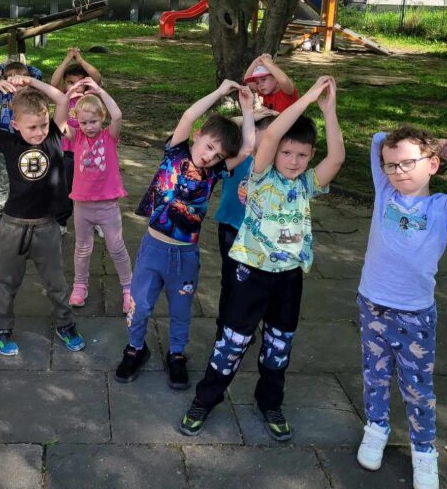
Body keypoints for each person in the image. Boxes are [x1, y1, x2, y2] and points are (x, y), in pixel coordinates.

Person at [180, 75, 344, 440]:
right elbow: (270, 138)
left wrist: (329, 111)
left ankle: (270, 401)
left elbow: (337, 158)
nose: (294, 161)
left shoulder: (306, 184)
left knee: (278, 344)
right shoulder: (260, 176)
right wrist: (307, 99)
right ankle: (205, 399)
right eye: (287, 153)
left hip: (289, 277)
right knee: (232, 342)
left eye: (302, 155)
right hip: (249, 273)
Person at [354, 127, 447, 489]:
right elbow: (378, 139)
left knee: (417, 387)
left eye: (408, 163)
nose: (398, 171)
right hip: (372, 304)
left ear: (432, 165)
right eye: (391, 165)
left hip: (414, 314)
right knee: (375, 375)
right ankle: (376, 428)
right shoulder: (385, 192)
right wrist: (412, 144)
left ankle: (423, 451)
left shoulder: (444, 207)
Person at [115, 81, 255, 390]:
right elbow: (190, 115)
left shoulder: (214, 173)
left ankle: (176, 354)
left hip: (185, 256)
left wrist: (247, 109)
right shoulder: (175, 152)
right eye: (208, 146)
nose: (209, 156)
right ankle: (135, 348)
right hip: (153, 249)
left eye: (217, 155)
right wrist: (220, 92)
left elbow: (247, 148)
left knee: (181, 310)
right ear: (197, 136)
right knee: (140, 306)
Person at [0, 75, 85, 357]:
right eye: (32, 127)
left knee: (56, 283)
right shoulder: (9, 142)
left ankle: (65, 324)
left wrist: (33, 82)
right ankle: (1, 329)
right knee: (8, 283)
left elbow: (62, 100)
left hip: (47, 225)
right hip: (13, 226)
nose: (39, 132)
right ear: (15, 124)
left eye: (43, 124)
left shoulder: (55, 135)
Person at [63, 78, 132, 313]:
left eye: (93, 121)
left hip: (107, 205)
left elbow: (118, 116)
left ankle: (128, 287)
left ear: (102, 118)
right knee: (82, 248)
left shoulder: (109, 136)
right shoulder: (77, 138)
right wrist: (69, 94)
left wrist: (100, 91)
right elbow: (60, 120)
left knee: (116, 247)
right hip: (82, 205)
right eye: (83, 122)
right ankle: (80, 285)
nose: (89, 126)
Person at [211, 108, 276, 333]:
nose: (271, 142)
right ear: (253, 131)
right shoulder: (238, 156)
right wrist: (251, 116)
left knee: (253, 282)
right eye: (267, 135)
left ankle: (246, 325)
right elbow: (219, 128)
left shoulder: (276, 164)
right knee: (230, 281)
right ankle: (225, 326)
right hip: (231, 229)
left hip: (259, 235)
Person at [0, 59, 44, 233]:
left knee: (30, 175)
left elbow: (38, 74)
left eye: (20, 77)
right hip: (7, 142)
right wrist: (5, 65)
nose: (16, 81)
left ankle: (30, 207)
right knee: (3, 177)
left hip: (28, 143)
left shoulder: (31, 96)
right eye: (10, 77)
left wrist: (24, 73)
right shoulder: (4, 94)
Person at [51, 48, 104, 234]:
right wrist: (67, 59)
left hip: (89, 150)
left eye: (79, 83)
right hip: (66, 151)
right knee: (64, 185)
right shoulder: (62, 98)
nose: (74, 86)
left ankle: (95, 221)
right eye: (70, 82)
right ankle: (61, 221)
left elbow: (97, 77)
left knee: (91, 185)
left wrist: (80, 60)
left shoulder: (90, 97)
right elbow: (53, 82)